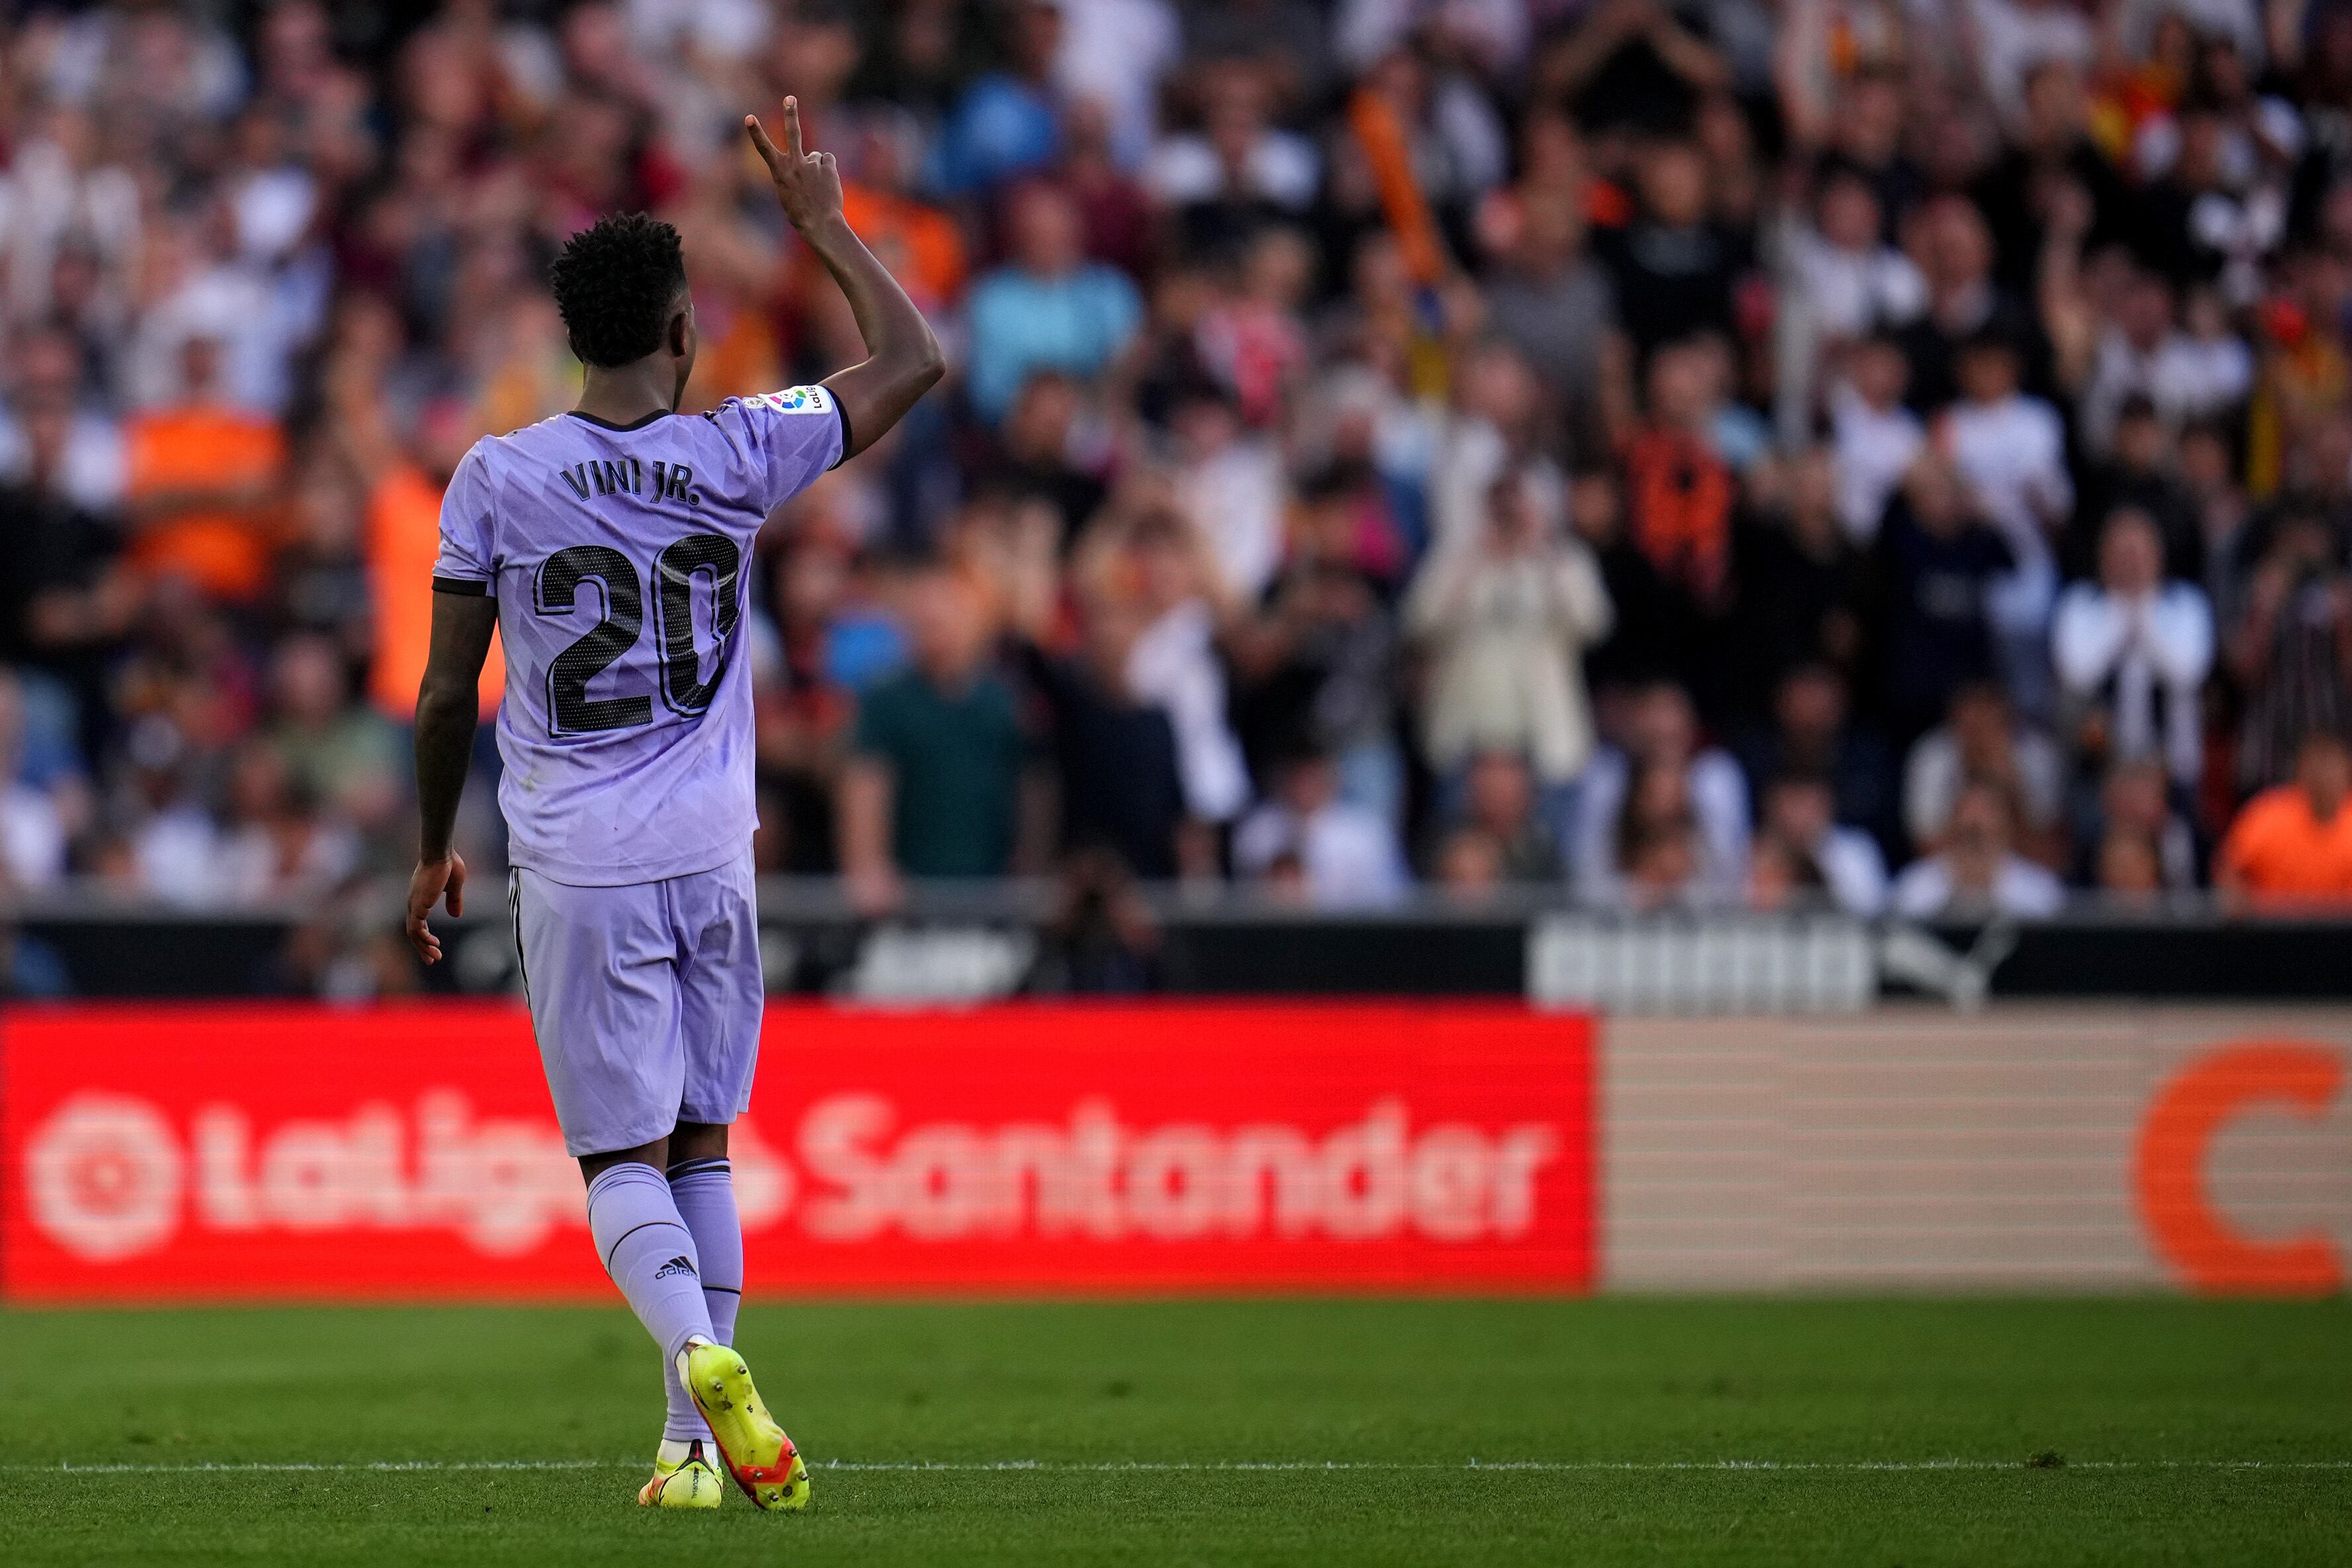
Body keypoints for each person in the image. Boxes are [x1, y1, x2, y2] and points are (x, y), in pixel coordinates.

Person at [402, 99, 943, 1513]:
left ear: (577, 337)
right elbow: (915, 359)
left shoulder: (497, 478)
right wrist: (823, 221)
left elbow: (448, 692)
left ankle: (699, 1363)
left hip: (580, 858)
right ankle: (691, 1448)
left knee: (616, 1155)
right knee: (705, 1138)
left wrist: (426, 850)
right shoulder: (738, 449)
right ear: (685, 330)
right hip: (716, 850)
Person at [2215, 730, 2352, 907]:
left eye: (2332, 767)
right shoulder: (2268, 815)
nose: (2323, 777)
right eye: (2316, 766)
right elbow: (2229, 871)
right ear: (2300, 770)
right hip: (2272, 931)